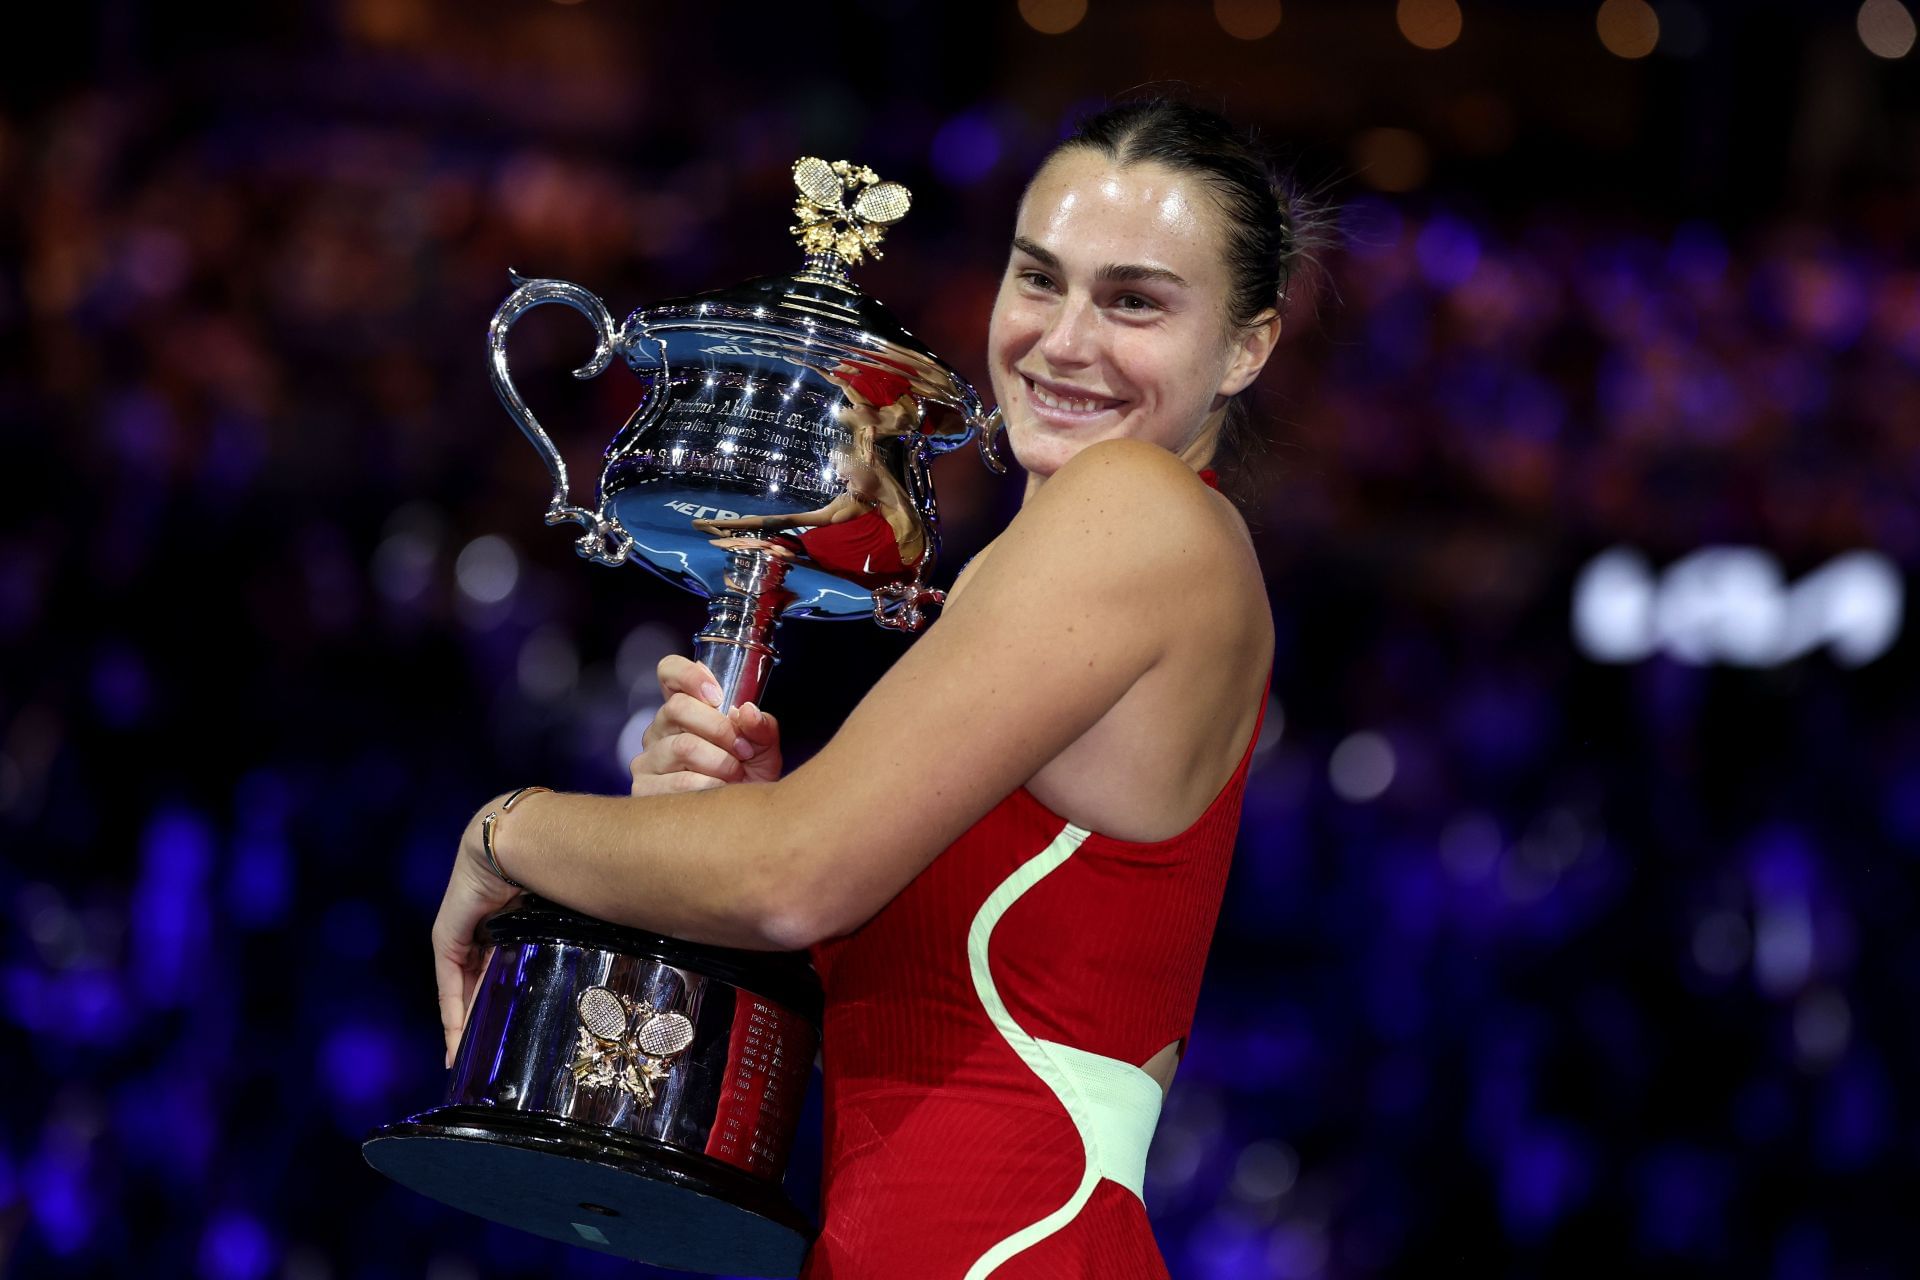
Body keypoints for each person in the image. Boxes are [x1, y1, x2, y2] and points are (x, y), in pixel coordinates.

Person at [433, 96, 1315, 1277]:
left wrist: (507, 833)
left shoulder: (1137, 513)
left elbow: (792, 876)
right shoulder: (1100, 553)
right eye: (1039, 278)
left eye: (1136, 300)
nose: (1063, 340)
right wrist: (740, 818)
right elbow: (879, 942)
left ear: (1248, 346)